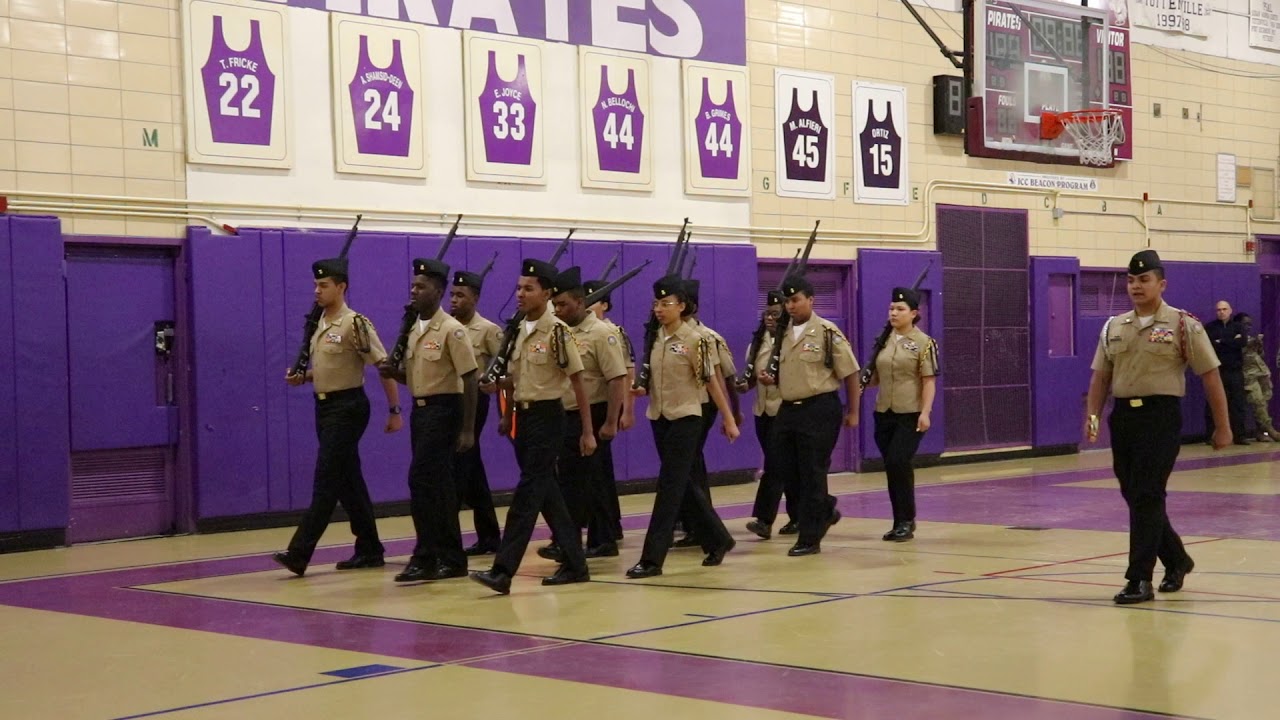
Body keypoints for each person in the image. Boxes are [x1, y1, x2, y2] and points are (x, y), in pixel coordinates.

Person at [1085, 250, 1230, 605]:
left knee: (1148, 494)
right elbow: (1100, 377)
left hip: (1160, 418)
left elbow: (1211, 377)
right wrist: (1092, 419)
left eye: (1144, 279)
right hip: (1124, 418)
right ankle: (1178, 558)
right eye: (1131, 280)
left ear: (1161, 284)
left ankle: (1139, 579)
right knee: (1135, 494)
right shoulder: (1114, 327)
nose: (1136, 286)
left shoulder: (1183, 325)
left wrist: (1223, 427)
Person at [471, 259, 595, 594]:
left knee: (527, 495)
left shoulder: (557, 332)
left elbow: (577, 381)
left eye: (528, 288)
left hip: (548, 418)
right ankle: (576, 563)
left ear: (546, 293)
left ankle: (503, 570)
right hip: (524, 419)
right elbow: (520, 377)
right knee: (548, 495)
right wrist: (499, 392)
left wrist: (587, 430)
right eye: (518, 288)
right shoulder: (517, 330)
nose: (520, 294)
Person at [274, 256, 403, 576]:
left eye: (324, 285)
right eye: (315, 285)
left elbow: (383, 367)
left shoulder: (355, 323)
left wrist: (395, 409)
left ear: (341, 287)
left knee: (326, 478)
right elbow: (329, 368)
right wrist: (302, 377)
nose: (317, 291)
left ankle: (300, 552)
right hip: (325, 406)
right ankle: (370, 548)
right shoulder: (319, 322)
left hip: (348, 408)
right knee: (348, 482)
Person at [626, 275, 739, 578]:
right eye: (656, 304)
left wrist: (728, 418)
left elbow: (712, 382)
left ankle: (651, 560)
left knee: (669, 487)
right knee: (684, 484)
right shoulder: (656, 337)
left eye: (666, 304)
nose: (659, 309)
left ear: (682, 306)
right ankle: (718, 539)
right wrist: (642, 390)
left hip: (687, 418)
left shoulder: (695, 340)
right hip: (660, 417)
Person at [378, 258, 478, 582]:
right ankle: (449, 557)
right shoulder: (412, 330)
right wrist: (393, 373)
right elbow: (415, 377)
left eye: (421, 287)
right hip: (420, 412)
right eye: (413, 286)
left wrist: (467, 428)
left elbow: (471, 378)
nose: (414, 291)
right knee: (439, 488)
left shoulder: (452, 330)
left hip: (444, 410)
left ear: (438, 291)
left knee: (421, 481)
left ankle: (425, 556)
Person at [759, 274, 859, 557]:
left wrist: (853, 411)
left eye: (795, 300)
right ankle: (824, 509)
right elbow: (787, 372)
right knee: (784, 468)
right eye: (787, 301)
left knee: (812, 473)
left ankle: (809, 538)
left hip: (819, 409)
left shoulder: (827, 332)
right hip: (788, 408)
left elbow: (850, 373)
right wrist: (771, 379)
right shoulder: (783, 333)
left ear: (810, 300)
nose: (790, 306)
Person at [538, 267, 628, 559]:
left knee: (593, 481)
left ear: (580, 301)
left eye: (563, 304)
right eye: (555, 304)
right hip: (566, 414)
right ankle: (570, 538)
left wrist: (612, 421)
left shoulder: (602, 333)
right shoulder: (559, 331)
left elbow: (616, 378)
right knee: (572, 482)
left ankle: (601, 540)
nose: (558, 309)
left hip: (595, 412)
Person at [672, 279, 741, 548]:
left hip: (701, 405)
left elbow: (724, 378)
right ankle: (693, 523)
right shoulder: (664, 334)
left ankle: (701, 526)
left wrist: (731, 415)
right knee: (688, 467)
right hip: (675, 407)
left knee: (689, 467)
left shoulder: (707, 337)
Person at [867, 287, 939, 542]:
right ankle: (899, 521)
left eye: (900, 309)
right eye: (891, 309)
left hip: (910, 413)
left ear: (914, 313)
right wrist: (866, 379)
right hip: (883, 412)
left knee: (899, 461)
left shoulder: (924, 343)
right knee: (892, 467)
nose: (894, 313)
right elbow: (877, 377)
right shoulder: (883, 340)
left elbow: (929, 381)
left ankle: (907, 520)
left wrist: (926, 412)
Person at [450, 268, 505, 555]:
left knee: (460, 467)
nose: (454, 300)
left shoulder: (488, 331)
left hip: (474, 403)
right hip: (450, 402)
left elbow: (503, 372)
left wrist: (504, 412)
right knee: (472, 470)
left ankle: (451, 540)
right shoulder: (448, 327)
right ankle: (489, 536)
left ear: (475, 298)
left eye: (461, 295)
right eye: (452, 294)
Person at [740, 291, 792, 540]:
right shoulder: (757, 343)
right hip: (762, 411)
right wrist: (744, 385)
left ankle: (764, 519)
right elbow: (752, 378)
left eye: (776, 313)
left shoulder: (792, 341)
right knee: (787, 466)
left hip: (785, 410)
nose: (770, 318)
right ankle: (805, 515)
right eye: (767, 313)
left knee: (775, 465)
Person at [584, 278, 633, 542]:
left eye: (595, 301)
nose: (590, 306)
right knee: (597, 472)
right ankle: (609, 525)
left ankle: (607, 528)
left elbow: (625, 372)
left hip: (603, 405)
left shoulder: (612, 332)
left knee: (600, 471)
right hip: (585, 408)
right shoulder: (578, 331)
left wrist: (625, 411)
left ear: (605, 304)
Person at [1205, 300, 1249, 445]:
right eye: (1218, 310)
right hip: (1217, 372)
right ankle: (1211, 436)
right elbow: (1210, 345)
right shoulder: (1210, 327)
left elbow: (1242, 342)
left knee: (1238, 404)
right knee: (1213, 404)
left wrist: (1221, 342)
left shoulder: (1238, 326)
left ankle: (1240, 436)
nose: (1221, 312)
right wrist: (1230, 341)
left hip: (1235, 371)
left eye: (1224, 309)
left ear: (1230, 310)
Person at [1238, 313, 1277, 442]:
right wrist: (1249, 344)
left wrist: (1258, 345)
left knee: (1264, 403)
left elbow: (1261, 355)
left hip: (1262, 373)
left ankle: (1260, 432)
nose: (1248, 327)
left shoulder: (1251, 338)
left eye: (1250, 324)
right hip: (1249, 376)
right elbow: (1239, 354)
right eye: (1245, 324)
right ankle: (1270, 429)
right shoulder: (1236, 338)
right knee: (1258, 402)